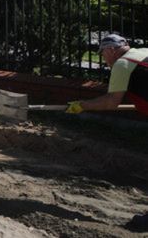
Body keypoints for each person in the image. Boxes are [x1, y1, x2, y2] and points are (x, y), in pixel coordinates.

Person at [65, 33, 148, 231]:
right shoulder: (143, 53)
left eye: (103, 55)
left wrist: (82, 105)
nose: (104, 61)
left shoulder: (122, 63)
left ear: (111, 50)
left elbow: (111, 102)